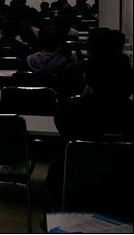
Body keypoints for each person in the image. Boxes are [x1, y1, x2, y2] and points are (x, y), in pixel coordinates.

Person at [44, 55, 133, 218]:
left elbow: (63, 127)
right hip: (127, 188)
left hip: (75, 184)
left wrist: (85, 98)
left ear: (86, 78)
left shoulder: (73, 111)